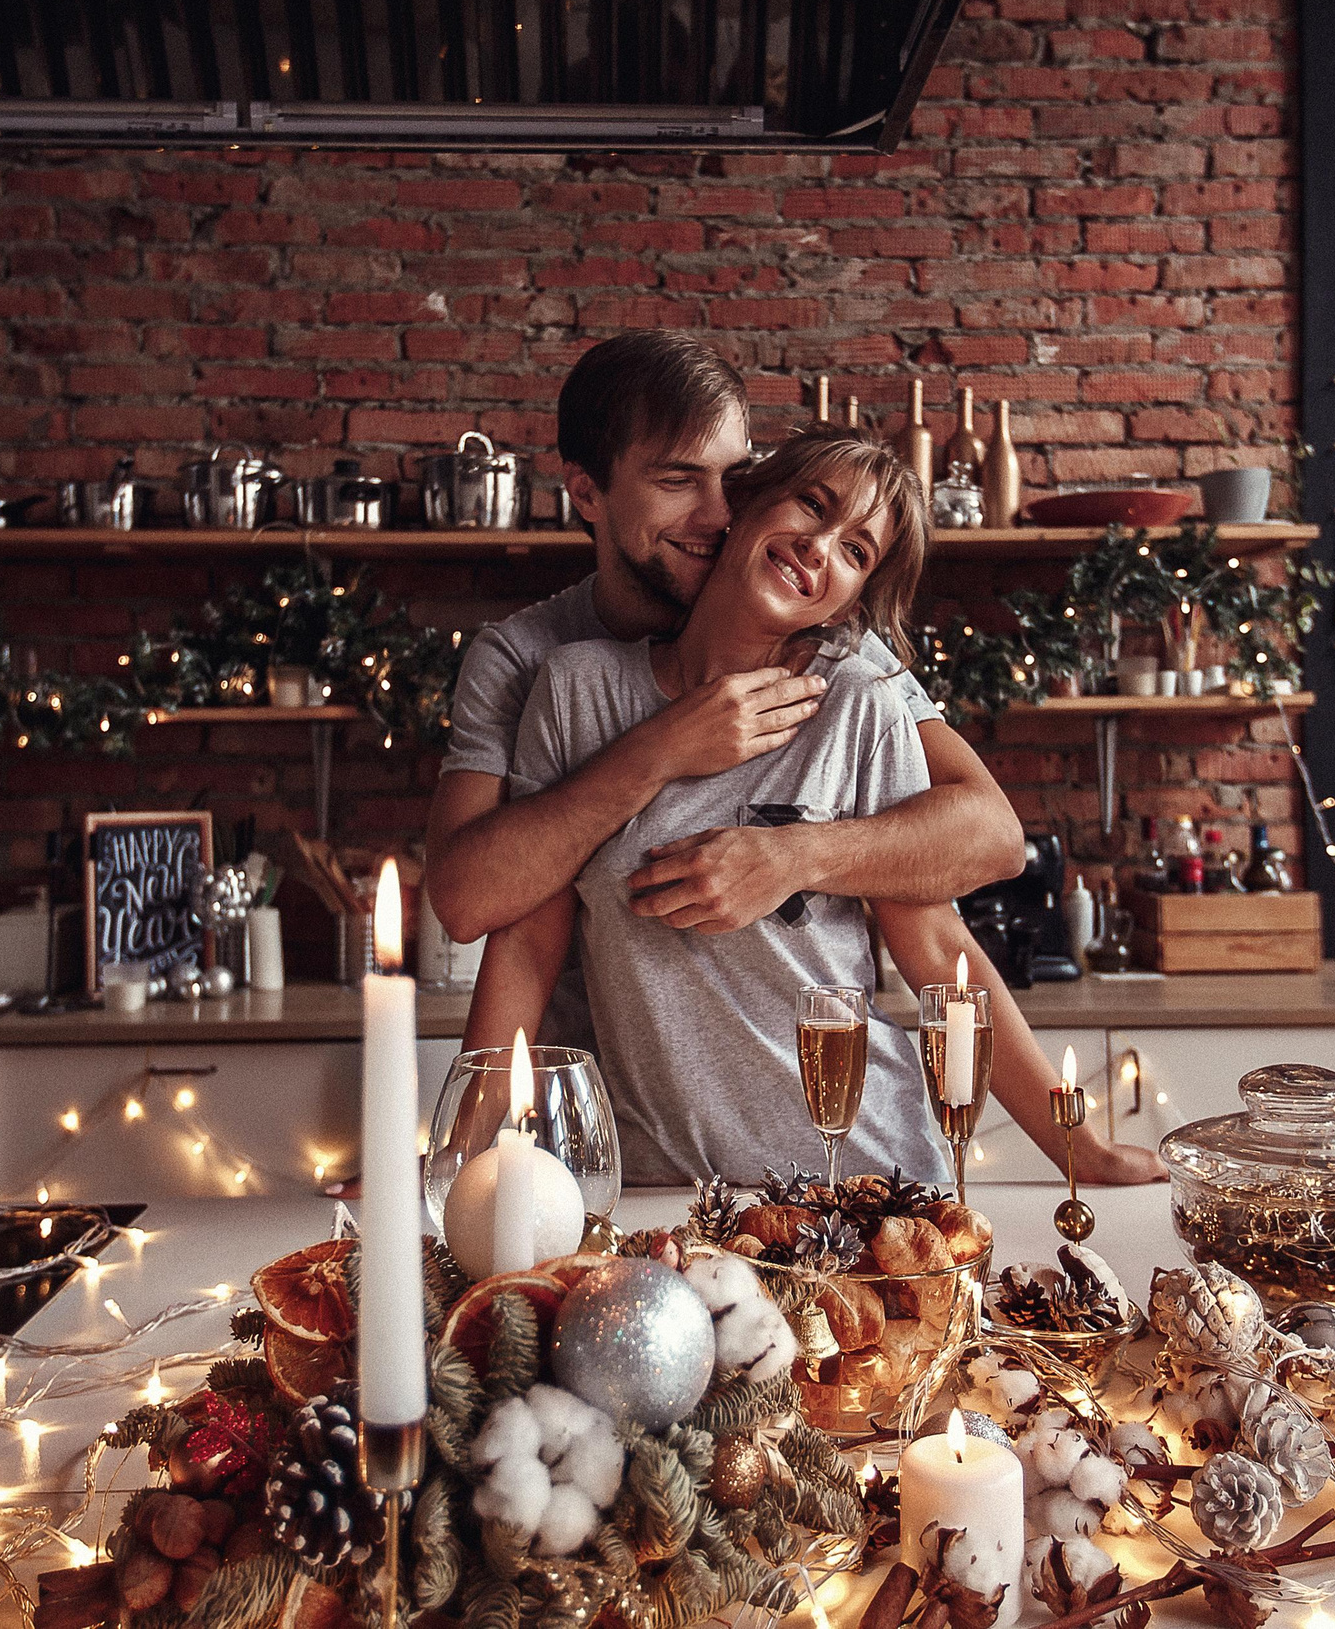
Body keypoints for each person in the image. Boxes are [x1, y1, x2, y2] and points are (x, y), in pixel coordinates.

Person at [464, 427, 1162, 1186]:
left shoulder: (861, 708)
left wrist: (1076, 1145)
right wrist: (462, 1161)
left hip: (862, 1180)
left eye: (856, 552)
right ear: (747, 504)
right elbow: (526, 946)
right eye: (812, 506)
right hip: (657, 1190)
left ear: (854, 597)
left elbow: (935, 948)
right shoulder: (576, 690)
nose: (820, 546)